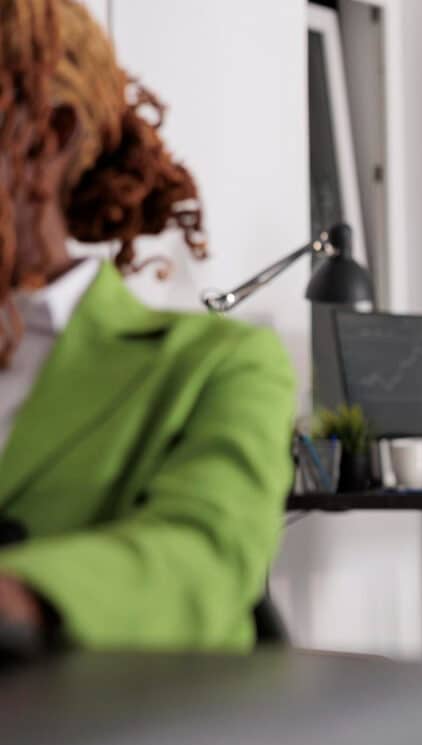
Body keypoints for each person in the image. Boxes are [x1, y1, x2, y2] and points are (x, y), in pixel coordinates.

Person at [0, 0, 296, 651]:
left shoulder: (215, 364)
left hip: (83, 736)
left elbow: (204, 557)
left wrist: (22, 598)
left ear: (45, 136)